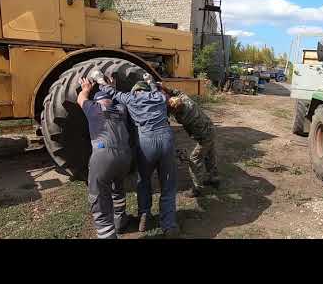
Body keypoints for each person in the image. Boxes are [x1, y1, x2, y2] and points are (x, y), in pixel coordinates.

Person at [98, 73, 179, 237]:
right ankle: (169, 225)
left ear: (135, 91)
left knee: (144, 180)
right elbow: (157, 90)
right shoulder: (158, 96)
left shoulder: (130, 98)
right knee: (168, 183)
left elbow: (111, 93)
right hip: (166, 138)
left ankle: (144, 216)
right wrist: (151, 82)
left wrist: (101, 81)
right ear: (147, 89)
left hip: (146, 141)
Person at [77, 77, 133, 239]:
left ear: (98, 102)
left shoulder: (93, 108)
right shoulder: (122, 110)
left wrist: (86, 88)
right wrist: (111, 87)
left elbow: (81, 98)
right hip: (125, 157)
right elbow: (117, 100)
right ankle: (120, 220)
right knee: (117, 187)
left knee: (99, 197)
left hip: (103, 157)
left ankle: (107, 235)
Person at [162, 85, 220, 198]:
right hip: (210, 129)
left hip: (205, 137)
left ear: (175, 110)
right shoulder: (186, 100)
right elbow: (178, 92)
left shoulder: (183, 117)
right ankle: (214, 178)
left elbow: (169, 112)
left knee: (194, 159)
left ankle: (197, 188)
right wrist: (165, 88)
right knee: (209, 154)